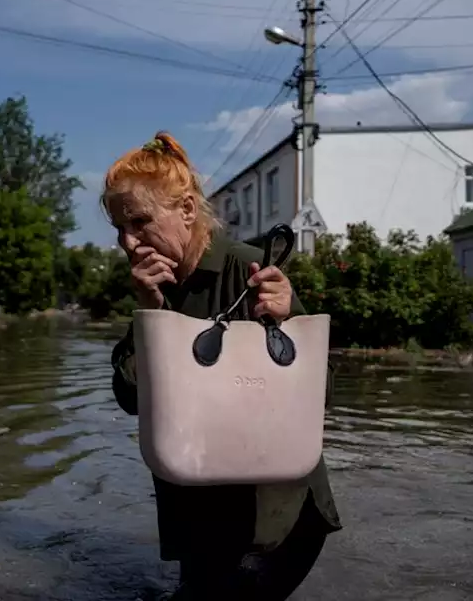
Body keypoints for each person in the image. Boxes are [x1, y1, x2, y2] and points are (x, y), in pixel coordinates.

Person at [102, 131, 341, 600]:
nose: (128, 243)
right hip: (198, 515)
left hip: (271, 523)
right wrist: (149, 314)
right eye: (119, 229)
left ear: (187, 210)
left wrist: (287, 318)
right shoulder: (156, 286)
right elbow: (131, 401)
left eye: (139, 222)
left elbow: (324, 395)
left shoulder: (250, 272)